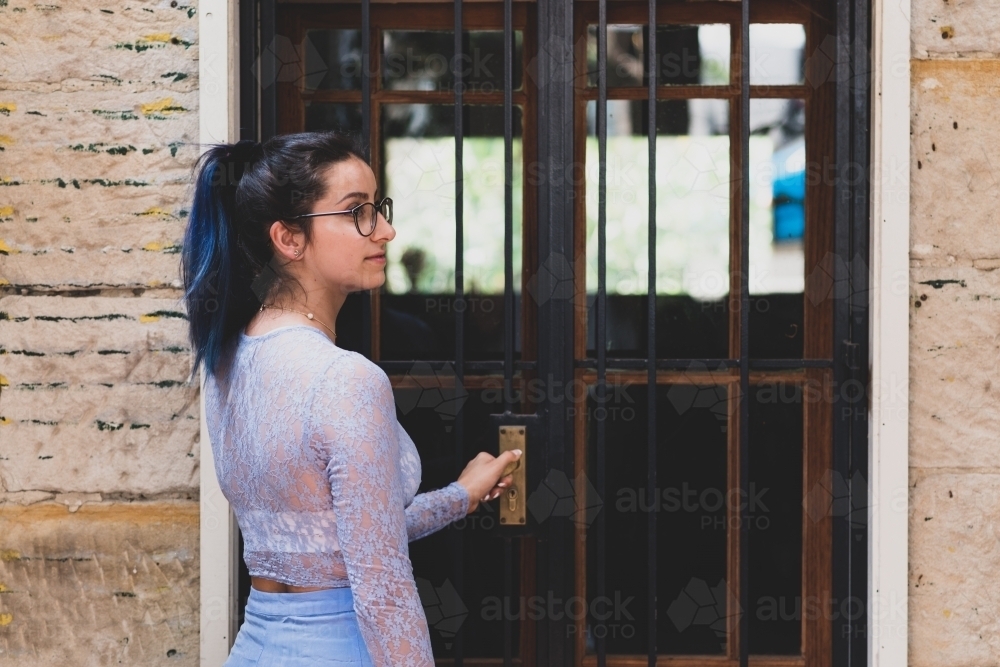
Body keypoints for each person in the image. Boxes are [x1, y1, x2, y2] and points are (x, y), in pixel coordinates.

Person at [181, 133, 521, 665]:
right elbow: (383, 591)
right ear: (289, 238)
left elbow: (346, 539)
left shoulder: (227, 358)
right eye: (357, 212)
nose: (385, 229)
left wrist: (460, 495)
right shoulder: (345, 378)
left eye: (379, 207)